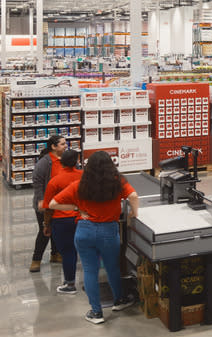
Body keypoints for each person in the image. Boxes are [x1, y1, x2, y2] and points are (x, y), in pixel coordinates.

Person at [49, 151, 139, 324]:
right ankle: (119, 300)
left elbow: (53, 203)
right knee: (112, 268)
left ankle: (96, 313)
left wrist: (77, 209)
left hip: (84, 231)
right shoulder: (117, 182)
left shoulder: (79, 185)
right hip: (108, 231)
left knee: (90, 271)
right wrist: (133, 214)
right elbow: (133, 196)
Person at [40, 149, 82, 294]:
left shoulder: (55, 181)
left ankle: (70, 284)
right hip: (81, 218)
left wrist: (46, 225)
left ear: (61, 162)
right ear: (76, 161)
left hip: (61, 221)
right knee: (80, 251)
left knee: (67, 252)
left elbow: (48, 207)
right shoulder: (83, 177)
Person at [30, 135, 66, 272]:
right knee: (45, 231)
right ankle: (36, 259)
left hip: (59, 203)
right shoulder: (45, 162)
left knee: (56, 228)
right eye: (62, 144)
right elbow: (37, 181)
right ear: (54, 147)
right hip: (45, 203)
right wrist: (40, 200)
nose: (65, 146)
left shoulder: (65, 159)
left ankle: (55, 255)